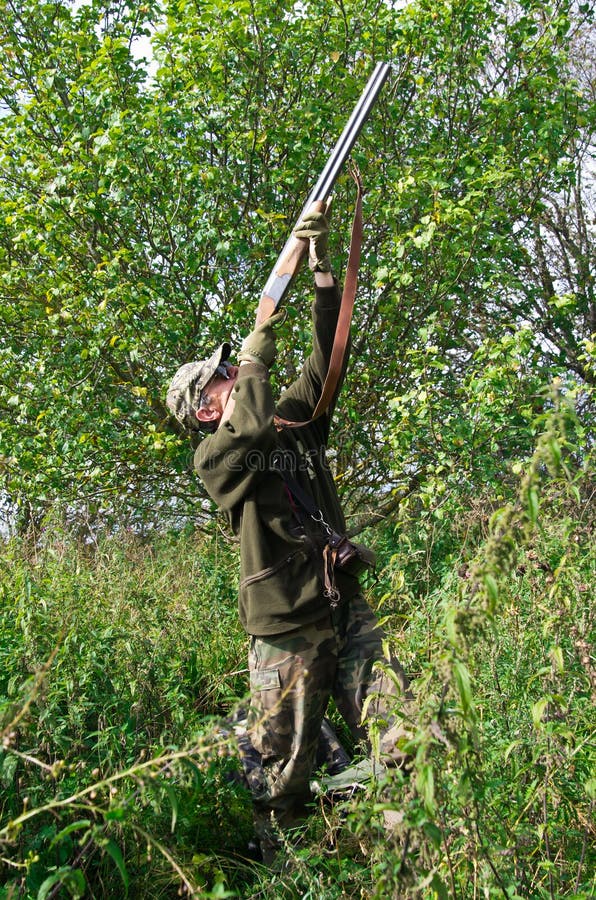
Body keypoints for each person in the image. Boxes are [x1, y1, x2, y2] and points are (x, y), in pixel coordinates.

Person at [166, 210, 413, 864]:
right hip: (285, 630)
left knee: (404, 733)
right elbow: (247, 426)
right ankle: (286, 874)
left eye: (232, 365)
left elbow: (329, 359)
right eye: (225, 373)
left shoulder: (289, 422)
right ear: (206, 408)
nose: (236, 370)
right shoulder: (216, 459)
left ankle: (415, 856)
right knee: (283, 772)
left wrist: (321, 271)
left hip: (342, 605)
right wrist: (255, 350)